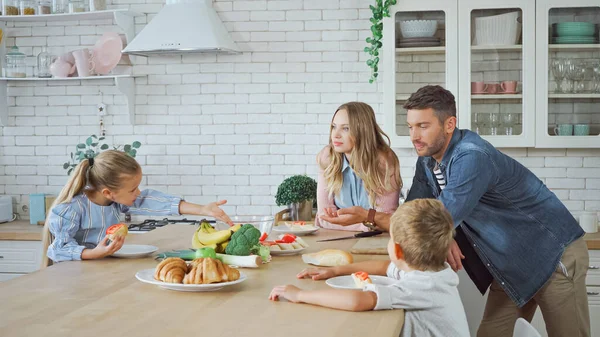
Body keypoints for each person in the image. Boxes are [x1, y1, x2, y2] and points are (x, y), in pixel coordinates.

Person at [319, 85, 590, 337]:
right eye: (411, 126)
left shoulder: (472, 156)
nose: (414, 135)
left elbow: (428, 224)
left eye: (423, 126)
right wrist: (443, 231)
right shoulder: (427, 161)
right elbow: (413, 217)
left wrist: (369, 216)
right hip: (510, 264)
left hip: (554, 255)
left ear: (450, 124)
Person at [269, 199, 470, 337]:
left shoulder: (424, 285)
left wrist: (301, 295)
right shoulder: (431, 270)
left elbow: (358, 301)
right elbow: (384, 267)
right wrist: (335, 271)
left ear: (397, 251)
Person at [46, 150, 233, 262]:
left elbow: (152, 201)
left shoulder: (115, 202)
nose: (138, 193)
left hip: (99, 267)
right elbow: (58, 249)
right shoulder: (71, 208)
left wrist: (202, 209)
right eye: (133, 189)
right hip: (73, 275)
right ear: (107, 192)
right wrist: (94, 253)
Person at [315, 101, 401, 232]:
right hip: (336, 238)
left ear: (363, 130)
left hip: (377, 242)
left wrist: (349, 223)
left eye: (346, 128)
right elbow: (323, 218)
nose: (335, 135)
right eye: (334, 126)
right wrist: (366, 225)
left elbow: (387, 219)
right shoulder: (328, 157)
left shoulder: (384, 161)